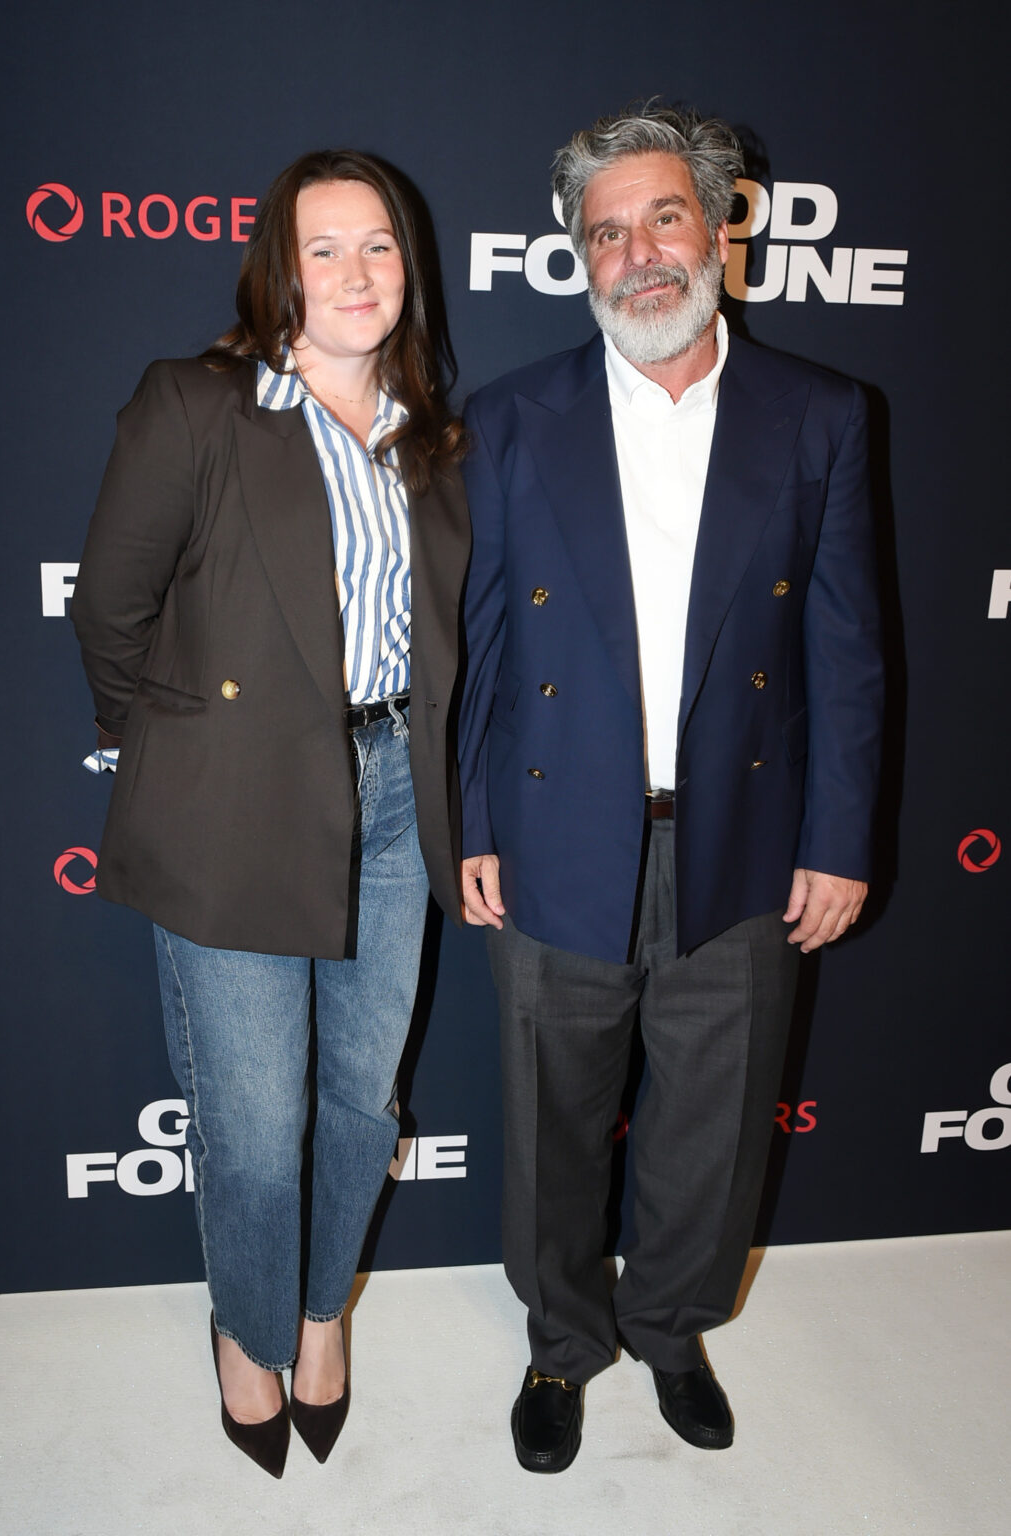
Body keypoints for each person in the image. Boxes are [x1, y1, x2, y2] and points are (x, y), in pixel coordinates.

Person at [459, 103, 884, 1472]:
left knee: (714, 1119)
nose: (637, 253)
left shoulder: (819, 415)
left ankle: (671, 1328)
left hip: (744, 839)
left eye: (662, 218)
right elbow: (479, 647)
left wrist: (836, 838)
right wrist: (476, 822)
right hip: (553, 829)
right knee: (551, 1122)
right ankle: (560, 1344)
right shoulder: (510, 417)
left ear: (719, 229)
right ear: (577, 257)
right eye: (605, 232)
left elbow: (845, 650)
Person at [72, 149, 469, 1478]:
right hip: (234, 801)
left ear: (409, 268)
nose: (358, 273)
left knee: (360, 1097)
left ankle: (319, 1313)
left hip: (396, 799)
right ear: (278, 271)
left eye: (380, 246)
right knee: (251, 1120)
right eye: (325, 248)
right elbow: (110, 614)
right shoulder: (199, 405)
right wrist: (185, 754)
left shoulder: (432, 440)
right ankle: (246, 1332)